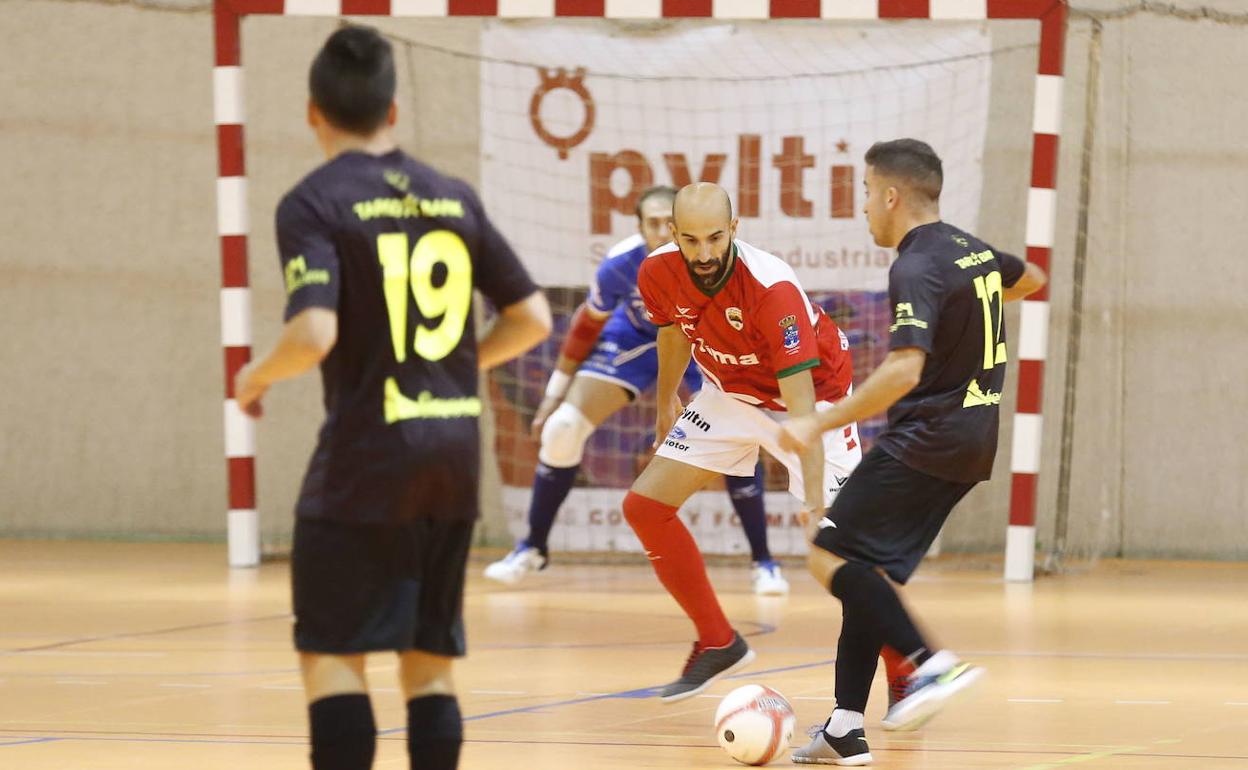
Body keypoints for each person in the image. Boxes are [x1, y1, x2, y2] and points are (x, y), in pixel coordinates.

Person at [232, 26, 551, 770]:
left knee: (333, 653)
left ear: (313, 111)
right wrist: (450, 364)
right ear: (394, 111)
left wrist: (254, 376)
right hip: (452, 451)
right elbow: (532, 317)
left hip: (369, 453)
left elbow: (313, 332)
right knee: (427, 659)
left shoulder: (313, 203)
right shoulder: (451, 194)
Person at [781, 138, 1047, 765]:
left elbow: (903, 370)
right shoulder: (972, 250)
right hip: (973, 437)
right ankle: (846, 724)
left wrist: (817, 426)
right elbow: (1031, 279)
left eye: (868, 193)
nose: (865, 207)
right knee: (863, 571)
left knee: (826, 555)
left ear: (893, 195)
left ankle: (932, 667)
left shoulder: (916, 265)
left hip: (928, 434)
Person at [484, 186, 789, 595]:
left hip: (697, 342)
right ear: (640, 227)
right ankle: (532, 547)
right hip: (632, 342)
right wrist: (556, 394)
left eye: (670, 224)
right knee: (562, 428)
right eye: (653, 224)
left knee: (739, 432)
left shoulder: (715, 261)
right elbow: (585, 327)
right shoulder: (620, 266)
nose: (663, 233)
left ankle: (763, 562)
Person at [624, 182, 863, 702]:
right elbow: (673, 331)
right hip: (729, 393)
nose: (705, 253)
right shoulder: (657, 271)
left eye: (715, 238)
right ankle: (717, 641)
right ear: (673, 234)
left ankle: (912, 672)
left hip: (812, 401)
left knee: (841, 551)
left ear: (735, 229)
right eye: (691, 240)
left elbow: (801, 409)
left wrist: (816, 502)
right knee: (644, 507)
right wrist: (667, 401)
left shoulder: (771, 290)